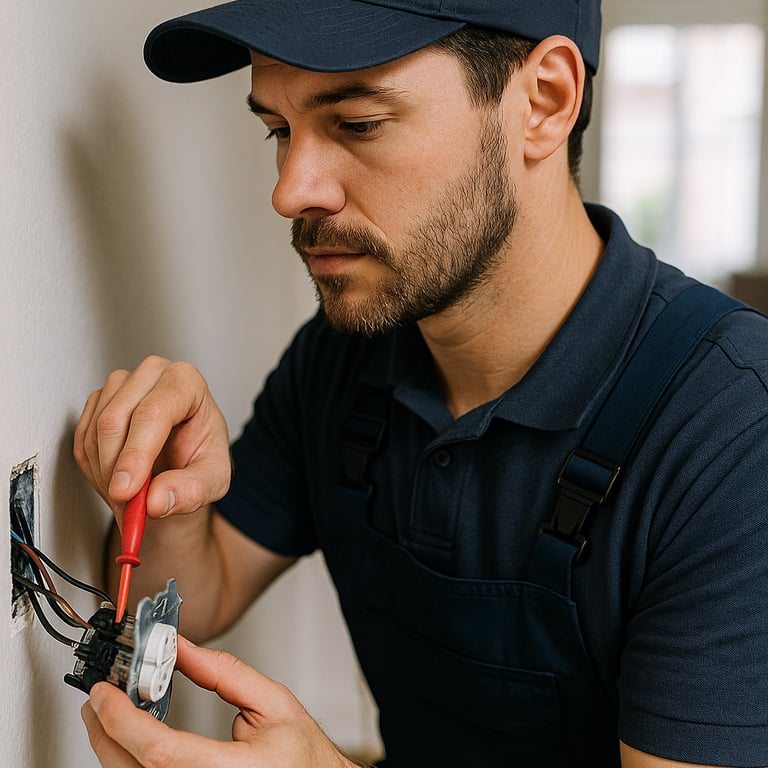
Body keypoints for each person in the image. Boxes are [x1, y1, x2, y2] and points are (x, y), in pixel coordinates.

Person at [74, 1, 768, 766]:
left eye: (358, 124)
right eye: (279, 130)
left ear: (544, 102)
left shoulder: (735, 432)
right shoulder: (348, 356)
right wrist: (171, 492)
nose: (291, 191)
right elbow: (196, 597)